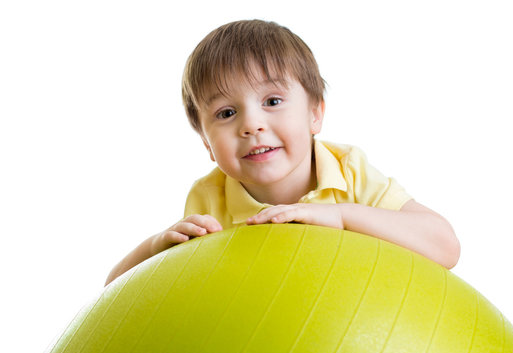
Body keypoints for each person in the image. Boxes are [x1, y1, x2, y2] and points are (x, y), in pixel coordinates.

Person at [105, 19, 460, 286]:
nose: (251, 124)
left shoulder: (349, 171)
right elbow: (114, 292)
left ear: (315, 113)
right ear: (206, 143)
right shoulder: (209, 199)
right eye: (226, 113)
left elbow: (445, 246)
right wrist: (155, 248)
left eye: (272, 101)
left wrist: (343, 217)